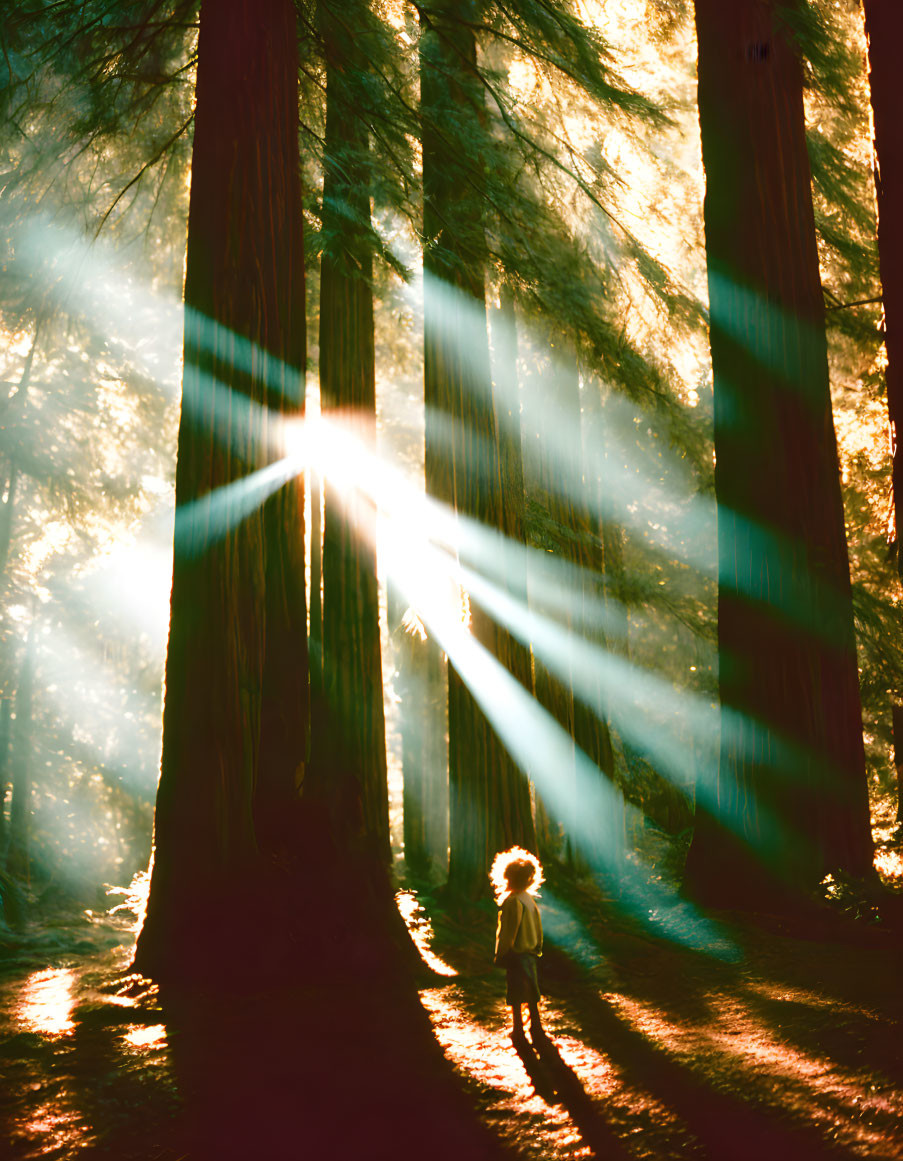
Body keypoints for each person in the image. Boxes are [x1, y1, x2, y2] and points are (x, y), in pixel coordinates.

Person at [491, 847, 547, 1046]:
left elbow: (508, 932)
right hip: (531, 953)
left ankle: (518, 1029)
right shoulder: (529, 900)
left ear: (507, 877)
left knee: (515, 992)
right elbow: (538, 928)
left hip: (516, 954)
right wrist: (538, 947)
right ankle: (536, 1027)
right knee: (531, 991)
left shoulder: (513, 901)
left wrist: (501, 953)